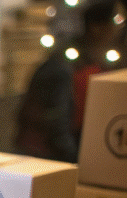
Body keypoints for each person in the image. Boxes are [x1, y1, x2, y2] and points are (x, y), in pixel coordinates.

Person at [15, 0, 125, 161]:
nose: (119, 27)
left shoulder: (104, 63)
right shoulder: (64, 65)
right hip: (49, 157)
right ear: (96, 26)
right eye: (116, 20)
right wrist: (78, 161)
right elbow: (56, 125)